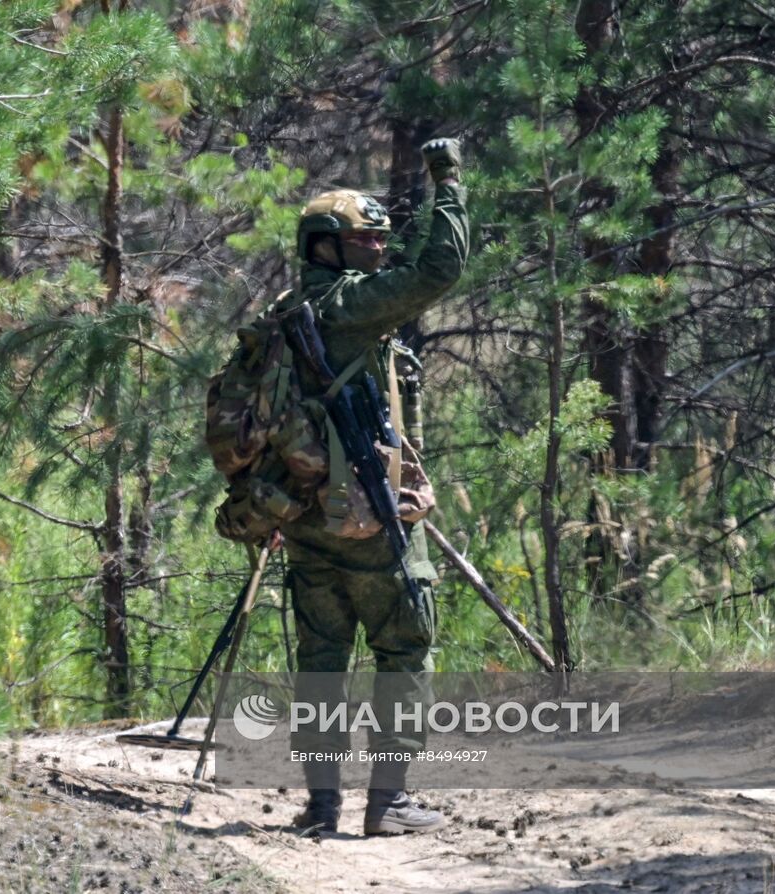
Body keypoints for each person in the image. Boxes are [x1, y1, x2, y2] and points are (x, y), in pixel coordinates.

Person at [273, 137, 469, 836]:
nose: (381, 249)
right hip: (370, 521)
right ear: (331, 248)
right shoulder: (351, 307)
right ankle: (388, 804)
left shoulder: (285, 315)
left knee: (322, 661)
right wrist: (447, 181)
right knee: (404, 650)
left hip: (301, 520)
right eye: (368, 239)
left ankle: (321, 807)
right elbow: (441, 266)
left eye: (383, 238)